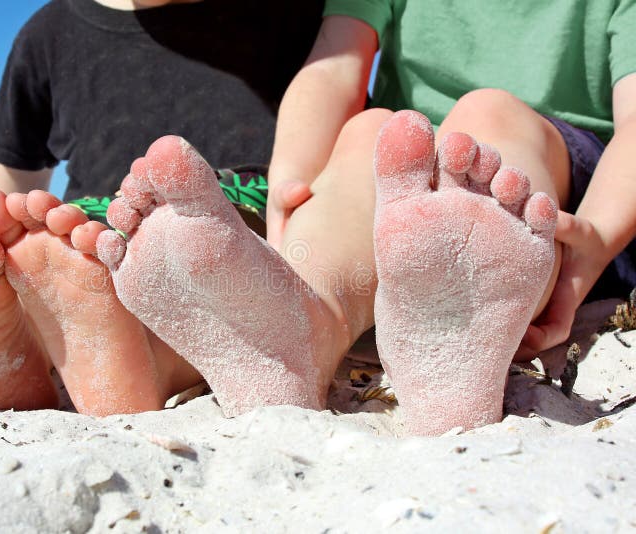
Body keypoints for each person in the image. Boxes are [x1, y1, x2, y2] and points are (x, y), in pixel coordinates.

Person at [0, 0, 324, 417]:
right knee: (73, 256)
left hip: (231, 207)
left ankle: (116, 353)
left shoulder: (294, 14)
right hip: (94, 223)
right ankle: (32, 344)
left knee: (210, 265)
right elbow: (11, 201)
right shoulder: (48, 34)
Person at [259, 0, 636, 431]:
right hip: (408, 169)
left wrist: (598, 240)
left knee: (489, 112)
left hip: (564, 179)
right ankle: (305, 321)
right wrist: (292, 179)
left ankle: (468, 326)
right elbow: (332, 67)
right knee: (371, 134)